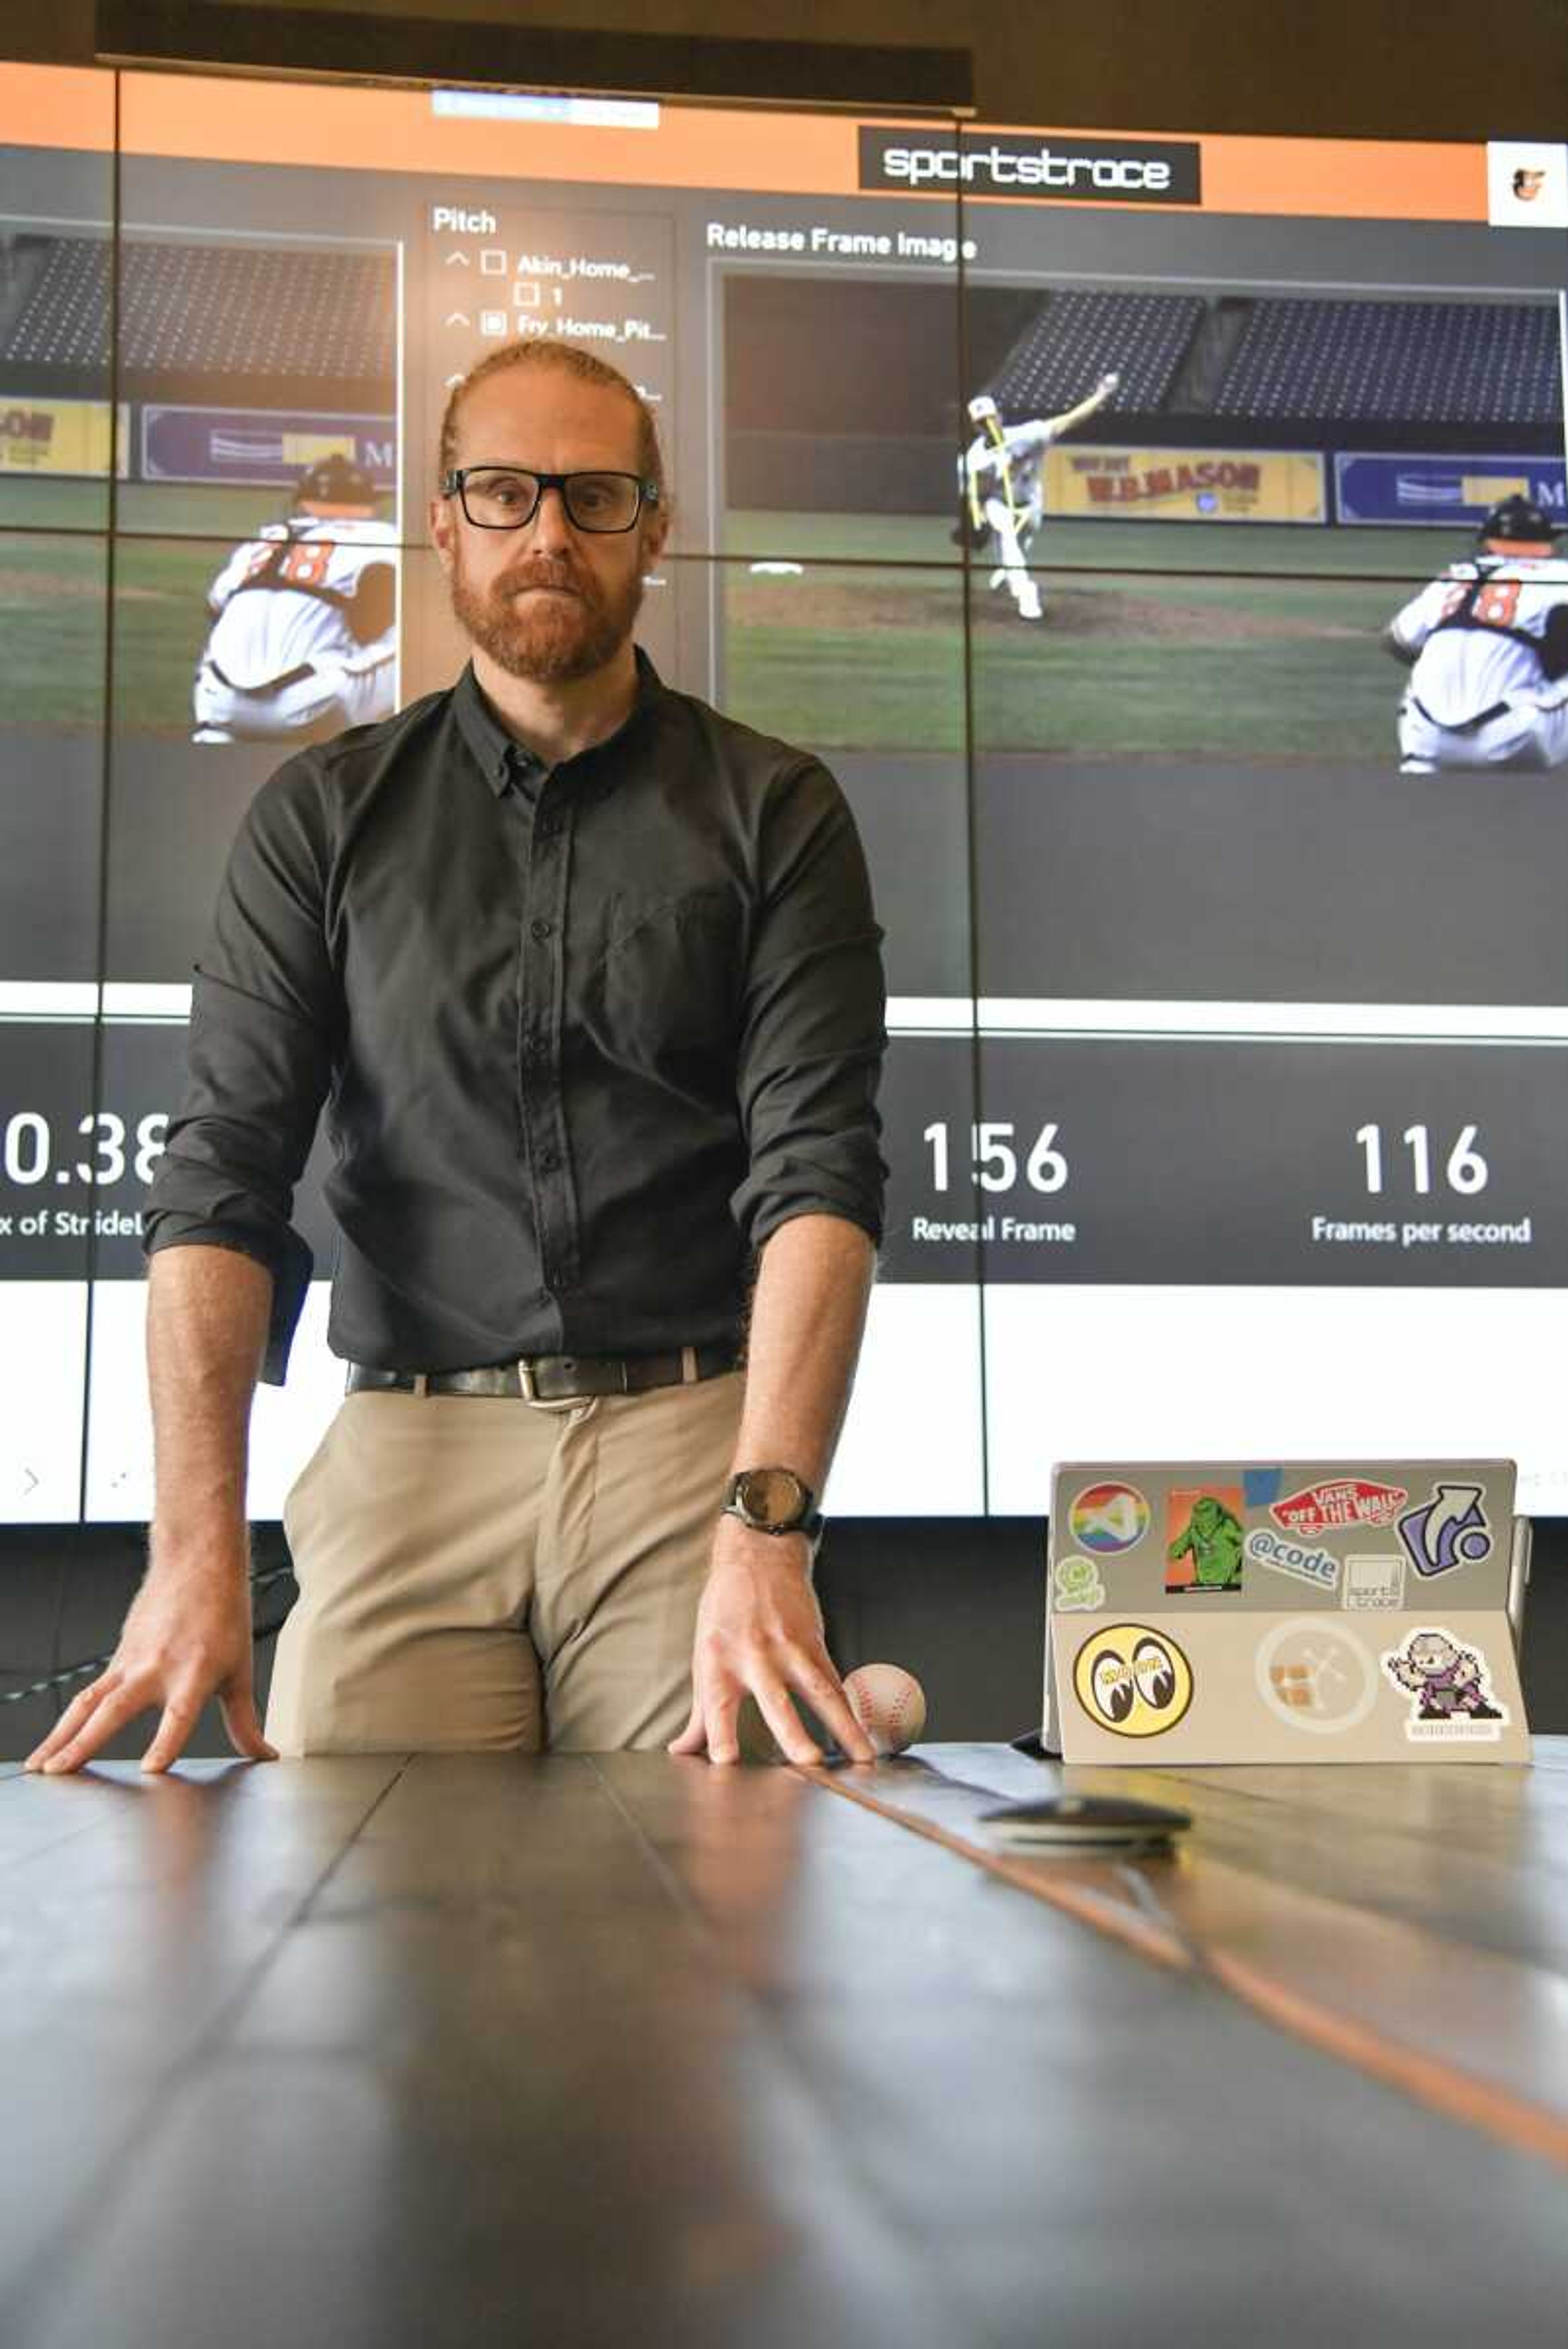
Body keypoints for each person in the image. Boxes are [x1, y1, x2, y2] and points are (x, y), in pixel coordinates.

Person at [27, 340, 884, 1776]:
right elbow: (219, 1186)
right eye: (504, 491)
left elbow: (819, 1180)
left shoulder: (774, 810)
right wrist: (193, 1557)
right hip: (408, 1450)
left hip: (689, 1444)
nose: (548, 531)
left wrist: (768, 1524)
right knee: (351, 1913)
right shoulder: (322, 817)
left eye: (595, 496)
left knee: (714, 1883)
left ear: (655, 528)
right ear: (445, 521)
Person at [191, 453, 399, 744]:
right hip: (311, 706)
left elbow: (214, 606)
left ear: (303, 501)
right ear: (368, 504)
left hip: (223, 704)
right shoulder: (382, 536)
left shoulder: (267, 539)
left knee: (220, 636)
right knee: (415, 633)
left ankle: (212, 733)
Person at [1385, 494, 1568, 773]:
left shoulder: (1456, 575)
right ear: (1546, 541)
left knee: (1418, 687)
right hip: (1512, 738)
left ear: (1487, 540)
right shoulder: (1560, 574)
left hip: (1427, 740)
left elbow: (1396, 641)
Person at [957, 372, 1119, 621]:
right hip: (998, 503)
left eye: (991, 418)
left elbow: (1070, 420)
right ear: (975, 427)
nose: (988, 424)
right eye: (982, 422)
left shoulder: (1027, 434)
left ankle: (1008, 573)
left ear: (1000, 417)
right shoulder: (975, 458)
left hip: (1031, 504)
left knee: (1016, 549)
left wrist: (1101, 396)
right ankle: (1026, 594)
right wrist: (978, 521)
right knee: (1005, 532)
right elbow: (974, 494)